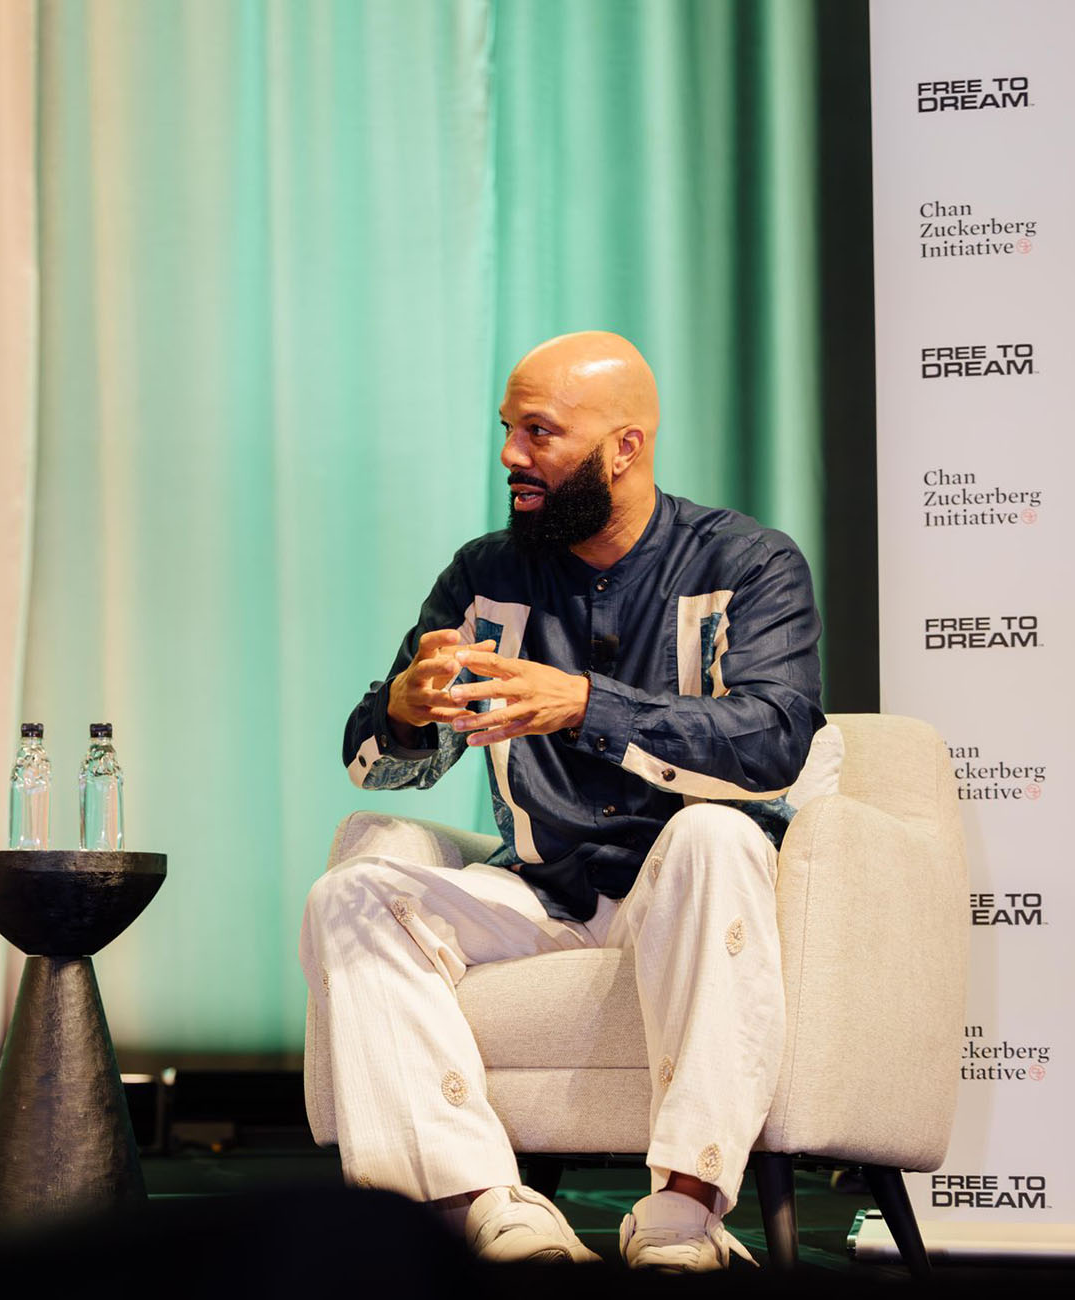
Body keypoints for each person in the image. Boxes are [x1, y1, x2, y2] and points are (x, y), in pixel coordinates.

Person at [300, 332, 823, 1270]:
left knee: (716, 835)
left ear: (622, 446)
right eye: (507, 430)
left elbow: (772, 743)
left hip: (687, 891)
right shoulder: (484, 576)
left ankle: (683, 1214)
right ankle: (487, 1212)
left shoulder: (746, 563)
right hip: (542, 892)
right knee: (349, 894)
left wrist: (584, 704)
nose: (509, 455)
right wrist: (405, 712)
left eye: (538, 433)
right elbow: (376, 767)